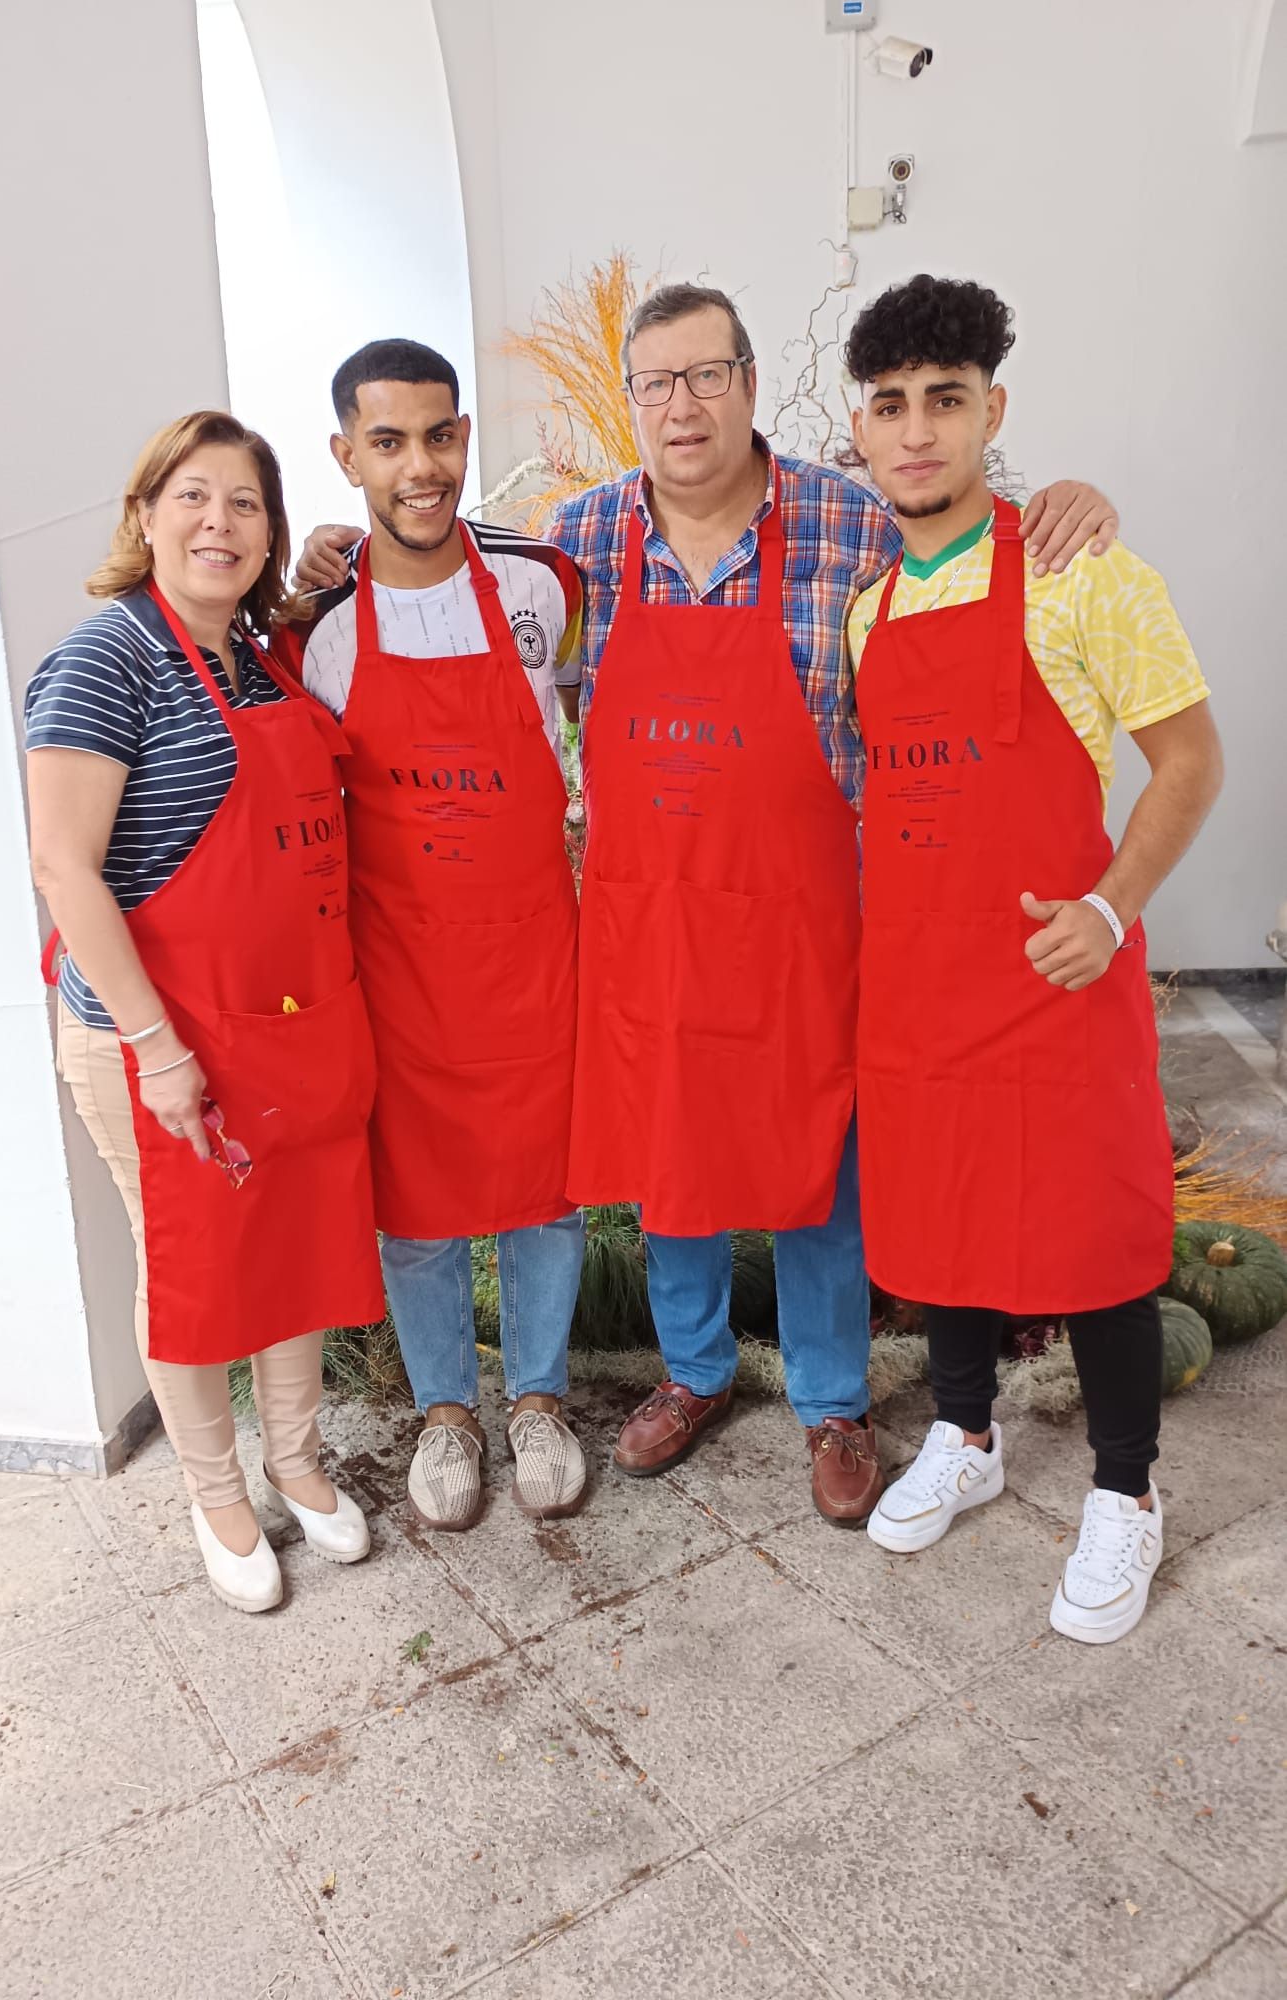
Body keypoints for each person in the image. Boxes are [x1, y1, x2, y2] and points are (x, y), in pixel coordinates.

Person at [295, 285, 1117, 1527]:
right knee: (668, 1157)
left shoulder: (849, 520)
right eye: (657, 384)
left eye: (707, 375)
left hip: (808, 918)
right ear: (633, 402)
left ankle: (834, 1397)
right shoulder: (573, 547)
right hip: (650, 920)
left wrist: (1068, 502)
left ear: (747, 382)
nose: (683, 406)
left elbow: (968, 550)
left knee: (818, 1163)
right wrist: (330, 556)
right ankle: (692, 1371)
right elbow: (442, 588)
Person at [844, 275, 1222, 1641]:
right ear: (861, 430)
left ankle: (1126, 1492)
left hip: (1058, 980)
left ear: (992, 411)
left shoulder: (1086, 574)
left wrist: (1113, 908)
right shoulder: (867, 614)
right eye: (891, 405)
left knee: (1100, 1240)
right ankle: (968, 1435)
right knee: (940, 1225)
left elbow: (1191, 761)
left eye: (946, 400)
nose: (918, 430)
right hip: (924, 988)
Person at [25, 411, 384, 1615]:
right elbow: (64, 867)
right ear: (144, 515)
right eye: (192, 497)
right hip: (156, 1034)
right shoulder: (105, 660)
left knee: (286, 1245)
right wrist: (156, 1047)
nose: (218, 523)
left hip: (281, 1022)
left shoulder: (257, 654)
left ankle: (295, 1460)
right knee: (189, 1263)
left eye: (244, 503)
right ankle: (215, 1487)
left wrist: (337, 557)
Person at [274, 341, 589, 1532]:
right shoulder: (321, 632)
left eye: (441, 436)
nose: (423, 466)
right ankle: (449, 1410)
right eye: (391, 441)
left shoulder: (540, 590)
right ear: (347, 455)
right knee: (416, 1204)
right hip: (400, 964)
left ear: (466, 440)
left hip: (532, 953)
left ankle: (542, 1396)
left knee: (547, 1191)